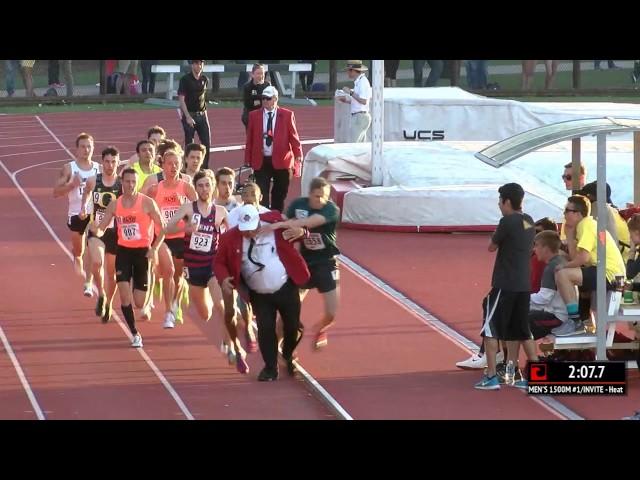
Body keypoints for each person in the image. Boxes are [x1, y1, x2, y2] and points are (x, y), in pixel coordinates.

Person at [214, 204, 310, 381]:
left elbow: (302, 230)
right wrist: (224, 278)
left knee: (293, 326)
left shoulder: (275, 223)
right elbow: (218, 262)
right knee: (265, 329)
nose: (249, 234)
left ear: (259, 221)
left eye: (252, 229)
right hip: (259, 294)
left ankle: (288, 354)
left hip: (286, 287)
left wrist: (302, 233)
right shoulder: (230, 238)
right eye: (245, 231)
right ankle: (270, 368)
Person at [90, 168, 165, 348]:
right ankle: (135, 333)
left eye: (133, 182)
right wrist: (96, 229)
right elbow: (103, 226)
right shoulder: (115, 204)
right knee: (124, 297)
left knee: (138, 303)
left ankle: (148, 290)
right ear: (121, 183)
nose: (130, 185)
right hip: (123, 251)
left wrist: (154, 248)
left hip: (142, 253)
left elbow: (162, 228)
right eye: (127, 182)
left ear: (137, 183)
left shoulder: (147, 203)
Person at [266, 177, 341, 350]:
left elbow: (312, 221)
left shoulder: (331, 209)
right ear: (309, 195)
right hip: (304, 263)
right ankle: (274, 346)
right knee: (289, 310)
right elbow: (284, 217)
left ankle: (320, 328)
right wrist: (277, 221)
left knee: (331, 313)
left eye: (324, 197)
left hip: (326, 263)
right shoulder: (298, 205)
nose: (320, 201)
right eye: (316, 197)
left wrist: (286, 224)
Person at [475, 183, 535, 390]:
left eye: (500, 201)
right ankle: (528, 374)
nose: (499, 205)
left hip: (504, 284)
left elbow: (491, 246)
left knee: (491, 328)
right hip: (523, 285)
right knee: (521, 330)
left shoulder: (506, 221)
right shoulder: (529, 221)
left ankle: (491, 376)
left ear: (507, 201)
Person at [552, 195, 626, 336]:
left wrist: (564, 266)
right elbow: (577, 258)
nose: (564, 214)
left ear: (578, 214)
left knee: (562, 274)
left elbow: (582, 258)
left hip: (610, 274)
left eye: (567, 210)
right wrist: (569, 236)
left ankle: (574, 321)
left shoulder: (586, 225)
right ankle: (575, 319)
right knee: (566, 273)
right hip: (611, 273)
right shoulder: (586, 225)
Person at [141, 150, 197, 328]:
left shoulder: (186, 187)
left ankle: (174, 305)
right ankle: (167, 313)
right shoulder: (155, 189)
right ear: (163, 166)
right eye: (169, 163)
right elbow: (143, 210)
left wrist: (193, 223)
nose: (173, 167)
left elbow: (198, 208)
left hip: (182, 238)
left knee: (179, 277)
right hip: (162, 237)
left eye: (176, 163)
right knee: (169, 271)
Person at [52, 132, 100, 297]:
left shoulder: (98, 168)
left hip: (93, 215)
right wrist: (72, 185)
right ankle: (76, 254)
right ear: (77, 149)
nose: (86, 150)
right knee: (80, 251)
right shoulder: (69, 168)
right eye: (83, 147)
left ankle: (88, 283)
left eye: (89, 147)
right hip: (75, 215)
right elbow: (56, 192)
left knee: (92, 250)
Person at [79, 146, 122, 323]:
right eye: (107, 161)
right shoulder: (93, 180)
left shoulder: (122, 184)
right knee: (97, 262)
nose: (110, 165)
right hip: (97, 229)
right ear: (102, 162)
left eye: (113, 162)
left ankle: (108, 303)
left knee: (112, 274)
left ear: (118, 163)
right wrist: (84, 207)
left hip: (115, 233)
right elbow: (87, 194)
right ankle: (102, 294)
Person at [245, 85, 303, 213]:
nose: (264, 101)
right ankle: (264, 215)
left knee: (280, 193)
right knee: (262, 192)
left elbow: (293, 136)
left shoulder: (287, 115)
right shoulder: (254, 115)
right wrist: (247, 158)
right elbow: (250, 138)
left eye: (268, 98)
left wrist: (298, 154)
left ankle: (276, 216)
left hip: (282, 160)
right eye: (263, 98)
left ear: (275, 99)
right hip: (261, 160)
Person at [529, 230, 568, 339]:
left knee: (518, 321)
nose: (534, 249)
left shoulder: (551, 267)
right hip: (559, 312)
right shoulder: (560, 261)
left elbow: (544, 298)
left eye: (536, 246)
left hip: (558, 317)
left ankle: (512, 355)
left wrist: (521, 298)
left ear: (545, 249)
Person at [578, 180, 631, 261]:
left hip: (621, 262)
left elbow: (597, 239)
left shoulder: (598, 208)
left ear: (590, 197)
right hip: (624, 258)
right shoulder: (613, 211)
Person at [178, 60, 211, 169]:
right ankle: (188, 169)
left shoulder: (205, 79)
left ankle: (204, 168)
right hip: (189, 115)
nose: (199, 66)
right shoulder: (185, 80)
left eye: (201, 63)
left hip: (202, 115)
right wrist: (187, 116)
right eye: (196, 63)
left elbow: (203, 99)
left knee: (206, 143)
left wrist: (205, 116)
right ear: (192, 65)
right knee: (189, 145)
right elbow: (181, 99)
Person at [338, 61, 372, 143]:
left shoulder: (362, 82)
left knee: (354, 145)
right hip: (360, 116)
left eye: (348, 70)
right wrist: (346, 100)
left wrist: (350, 92)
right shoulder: (359, 81)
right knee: (360, 146)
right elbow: (359, 101)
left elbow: (364, 101)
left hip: (359, 117)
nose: (347, 73)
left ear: (353, 70)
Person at [241, 63, 270, 129]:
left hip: (264, 112)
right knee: (246, 118)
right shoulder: (247, 87)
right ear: (252, 74)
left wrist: (257, 100)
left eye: (262, 73)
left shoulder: (267, 85)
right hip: (251, 112)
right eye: (258, 73)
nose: (261, 76)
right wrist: (262, 100)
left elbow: (270, 101)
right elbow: (248, 104)